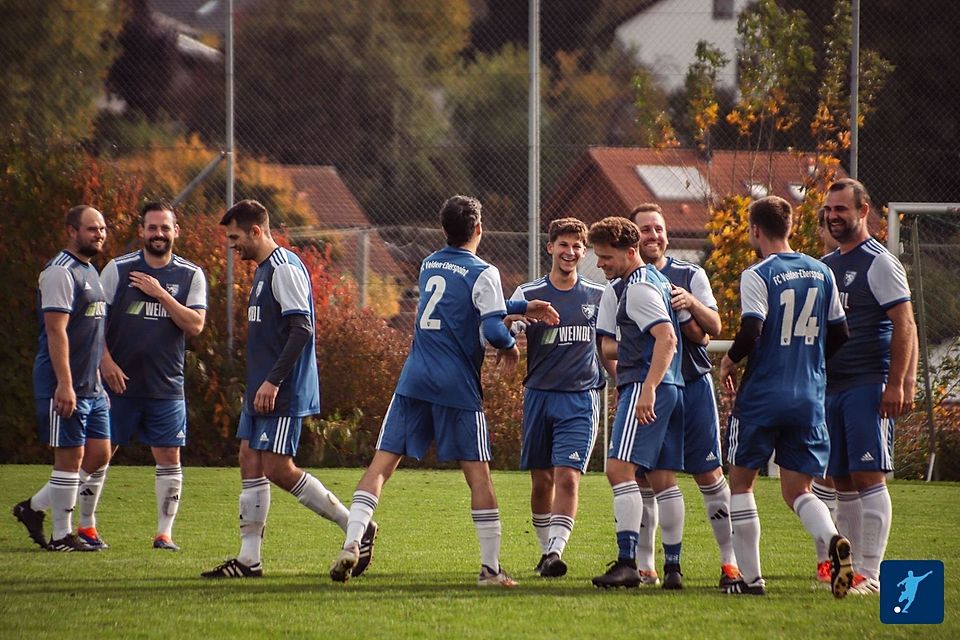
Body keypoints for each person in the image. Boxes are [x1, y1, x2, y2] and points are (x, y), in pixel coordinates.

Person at [328, 195, 558, 587]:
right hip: (457, 385)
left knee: (381, 466)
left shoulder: (429, 263)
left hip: (414, 379)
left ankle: (352, 542)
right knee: (479, 477)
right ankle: (490, 569)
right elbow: (490, 327)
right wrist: (511, 344)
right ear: (480, 229)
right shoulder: (484, 271)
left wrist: (521, 304)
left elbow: (459, 298)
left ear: (444, 229)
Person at [202, 199, 358, 578]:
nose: (231, 244)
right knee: (249, 461)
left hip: (281, 389)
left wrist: (273, 381)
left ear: (257, 231)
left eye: (236, 236)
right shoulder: (262, 270)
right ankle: (248, 560)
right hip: (261, 388)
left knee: (277, 468)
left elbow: (301, 328)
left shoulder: (284, 268)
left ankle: (355, 527)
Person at [718, 195, 853, 597]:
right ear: (790, 227)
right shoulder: (821, 271)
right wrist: (809, 361)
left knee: (741, 485)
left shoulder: (758, 273)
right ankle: (832, 539)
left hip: (763, 395)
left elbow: (752, 328)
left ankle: (751, 579)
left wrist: (730, 360)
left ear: (755, 230)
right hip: (809, 396)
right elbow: (841, 333)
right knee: (799, 491)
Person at [631, 203, 740, 589]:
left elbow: (713, 328)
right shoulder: (626, 281)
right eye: (645, 230)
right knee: (648, 478)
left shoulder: (689, 274)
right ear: (633, 236)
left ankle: (730, 564)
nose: (654, 236)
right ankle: (648, 567)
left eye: (658, 228)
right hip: (653, 392)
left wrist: (690, 304)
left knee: (709, 474)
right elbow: (609, 344)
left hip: (693, 384)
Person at [820, 178, 919, 595]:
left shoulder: (879, 261)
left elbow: (905, 323)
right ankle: (850, 572)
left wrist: (899, 382)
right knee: (841, 479)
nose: (834, 215)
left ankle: (872, 574)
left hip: (868, 383)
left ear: (864, 211)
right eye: (829, 209)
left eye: (842, 208)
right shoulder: (827, 264)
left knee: (868, 475)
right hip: (834, 386)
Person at [99, 202, 207, 551]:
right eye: (152, 228)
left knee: (169, 459)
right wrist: (104, 362)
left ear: (176, 231)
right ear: (141, 231)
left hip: (166, 387)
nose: (158, 234)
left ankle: (164, 534)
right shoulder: (117, 269)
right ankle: (85, 528)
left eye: (165, 228)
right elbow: (92, 322)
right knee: (98, 455)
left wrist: (160, 293)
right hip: (117, 384)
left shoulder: (191, 275)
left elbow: (195, 325)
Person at [588, 216, 687, 589]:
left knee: (618, 471)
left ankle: (628, 562)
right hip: (671, 388)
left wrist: (647, 389)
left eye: (606, 257)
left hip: (650, 388)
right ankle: (673, 568)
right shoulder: (654, 281)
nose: (600, 264)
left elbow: (667, 338)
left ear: (631, 253)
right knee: (663, 478)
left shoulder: (639, 287)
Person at [509, 217, 606, 578]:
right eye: (563, 245)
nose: (570, 252)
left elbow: (612, 343)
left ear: (585, 252)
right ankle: (543, 550)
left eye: (577, 246)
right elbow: (506, 327)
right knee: (542, 481)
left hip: (580, 399)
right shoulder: (527, 293)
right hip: (538, 396)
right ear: (550, 248)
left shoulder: (598, 296)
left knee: (568, 476)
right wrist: (508, 341)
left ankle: (555, 551)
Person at [13, 205, 112, 551]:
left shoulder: (91, 270)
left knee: (99, 454)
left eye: (102, 228)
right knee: (69, 459)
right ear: (71, 230)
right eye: (91, 228)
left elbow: (94, 332)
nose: (99, 234)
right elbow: (56, 332)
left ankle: (33, 508)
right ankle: (61, 536)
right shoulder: (59, 272)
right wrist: (65, 383)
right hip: (64, 383)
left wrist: (99, 376)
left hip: (92, 385)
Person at [810, 205, 842, 584]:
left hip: (847, 383)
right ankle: (825, 556)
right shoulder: (818, 270)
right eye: (826, 225)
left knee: (838, 475)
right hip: (818, 385)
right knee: (822, 474)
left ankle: (832, 554)